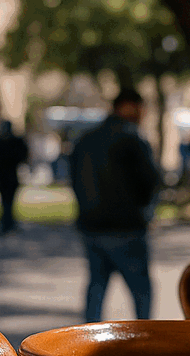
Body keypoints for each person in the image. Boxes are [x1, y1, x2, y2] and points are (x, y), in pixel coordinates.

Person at [69, 88, 160, 323]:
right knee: (141, 292)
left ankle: (86, 343)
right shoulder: (132, 138)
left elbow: (75, 179)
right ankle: (145, 340)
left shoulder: (86, 139)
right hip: (125, 227)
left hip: (92, 226)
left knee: (96, 288)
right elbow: (149, 182)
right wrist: (146, 213)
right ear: (131, 107)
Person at [0, 121, 29, 236]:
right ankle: (7, 224)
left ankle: (8, 224)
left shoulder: (2, 142)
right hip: (8, 176)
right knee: (7, 202)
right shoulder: (9, 142)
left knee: (7, 202)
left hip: (7, 176)